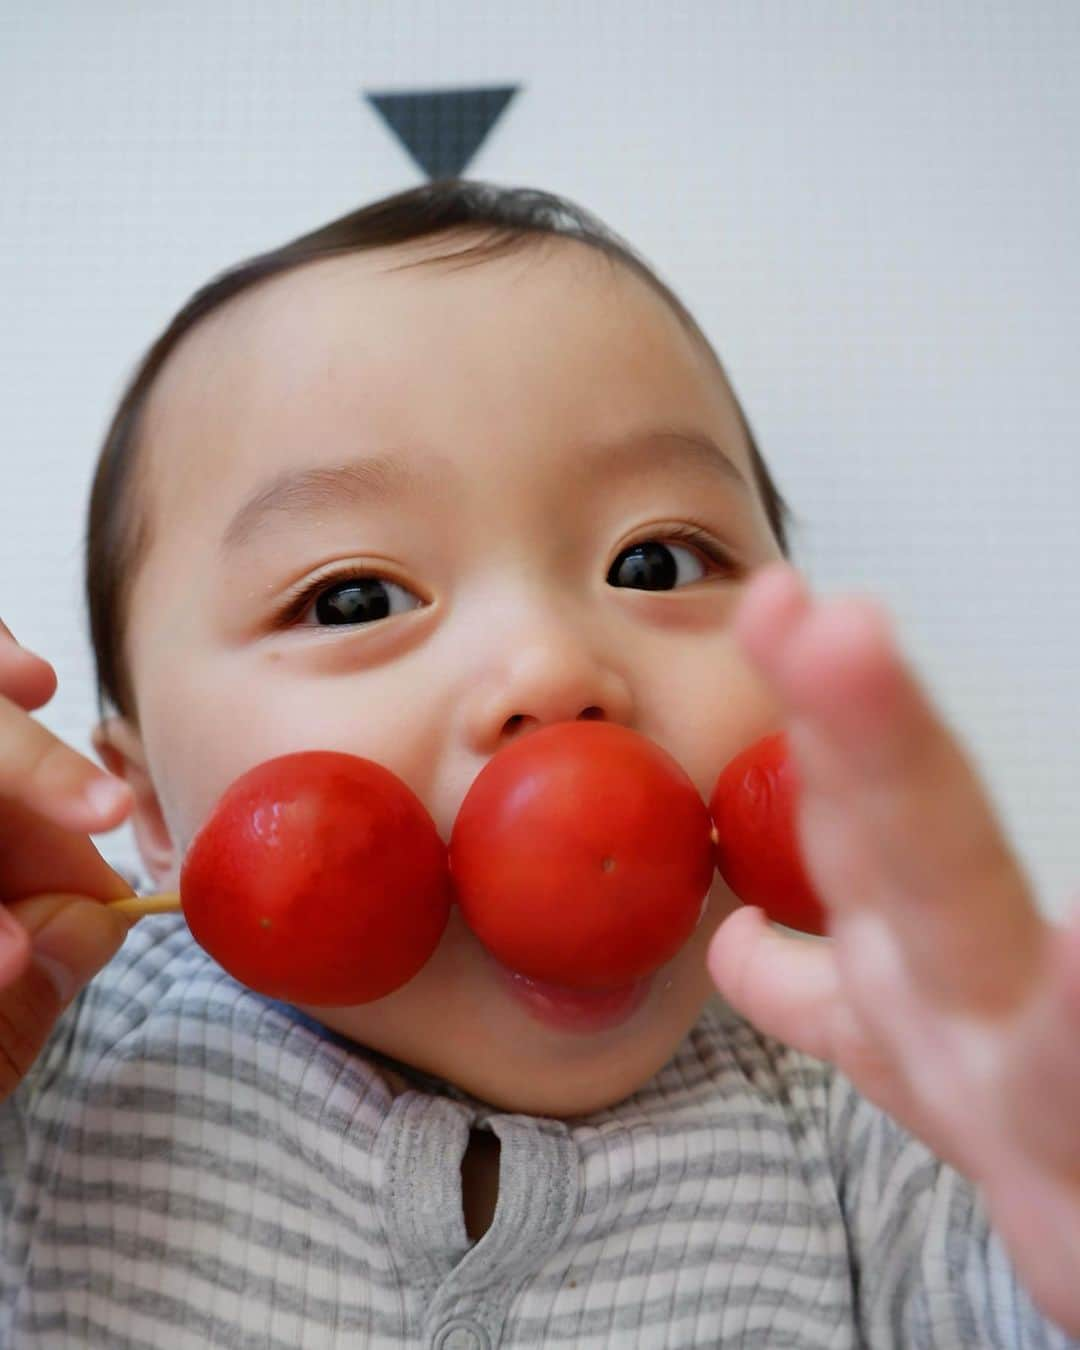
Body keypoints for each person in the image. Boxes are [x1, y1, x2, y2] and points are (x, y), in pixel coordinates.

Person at [0, 178, 1076, 1348]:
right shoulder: (59, 1052)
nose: (553, 670)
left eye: (657, 563)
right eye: (355, 597)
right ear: (151, 803)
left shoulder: (857, 1086)